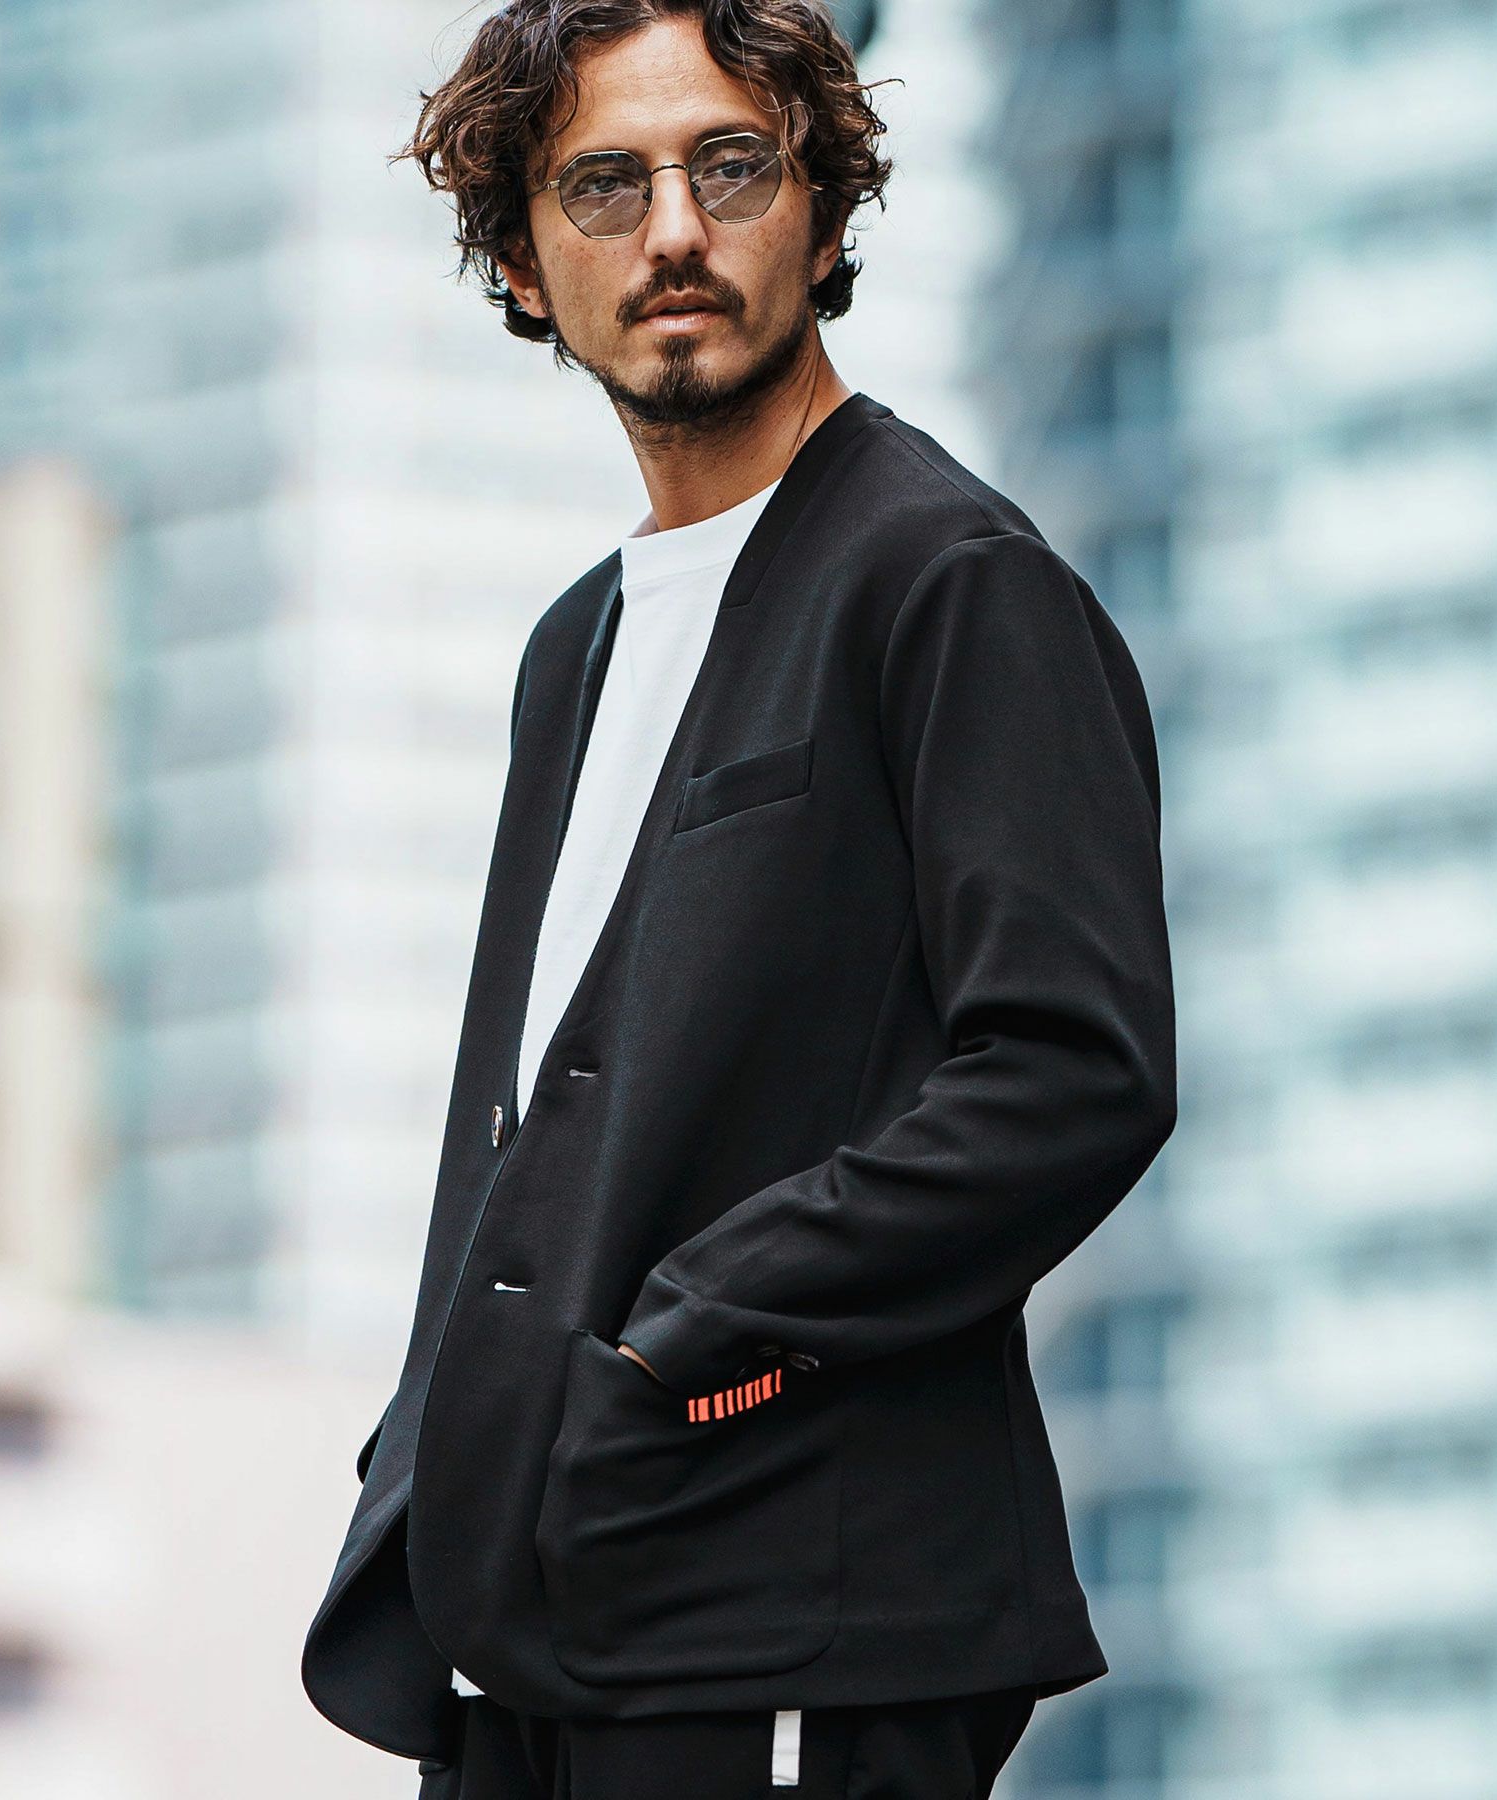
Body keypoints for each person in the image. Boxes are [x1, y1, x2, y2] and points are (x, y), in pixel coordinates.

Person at [300, 3, 1178, 1796]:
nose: (675, 232)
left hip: (786, 1611)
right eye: (604, 187)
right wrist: (442, 1436)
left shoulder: (951, 579)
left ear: (825, 211)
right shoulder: (576, 647)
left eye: (731, 167)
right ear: (524, 264)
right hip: (526, 1628)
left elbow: (1070, 1073)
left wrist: (686, 1339)